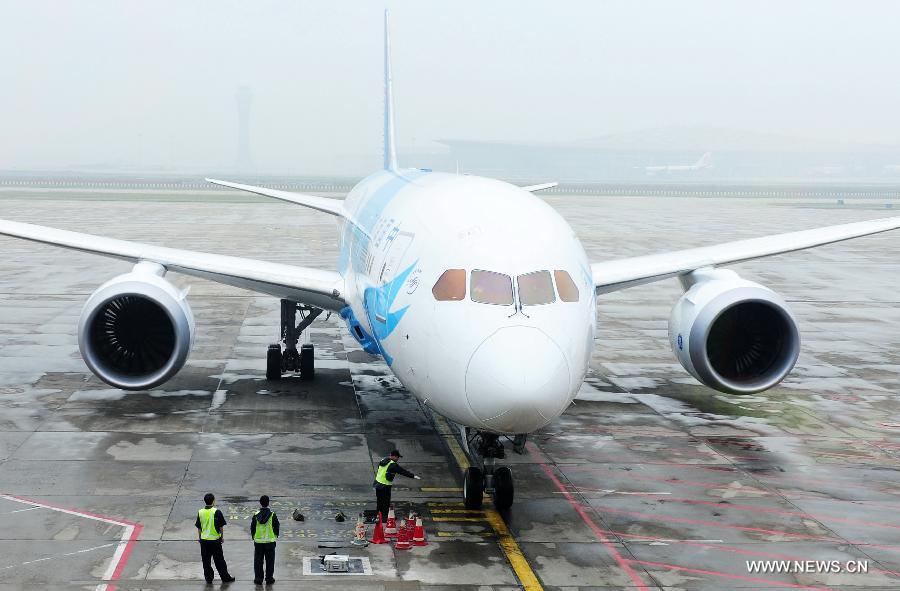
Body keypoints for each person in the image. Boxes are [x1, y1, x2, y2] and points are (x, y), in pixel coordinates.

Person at [195, 492, 235, 584]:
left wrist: (200, 538)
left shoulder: (200, 512)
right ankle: (225, 577)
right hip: (215, 540)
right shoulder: (217, 512)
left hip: (204, 541)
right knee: (219, 561)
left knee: (206, 561)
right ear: (213, 501)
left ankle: (209, 578)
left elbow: (199, 527)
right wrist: (222, 537)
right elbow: (221, 527)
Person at [373, 449, 420, 519]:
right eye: (397, 457)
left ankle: (378, 516)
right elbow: (402, 471)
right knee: (386, 502)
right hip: (385, 486)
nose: (398, 459)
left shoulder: (383, 460)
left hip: (377, 484)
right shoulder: (393, 465)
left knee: (379, 501)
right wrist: (413, 476)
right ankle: (385, 517)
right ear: (394, 456)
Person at [250, 495, 280, 585]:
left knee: (258, 561)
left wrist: (254, 537)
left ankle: (258, 579)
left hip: (258, 542)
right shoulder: (272, 514)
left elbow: (252, 528)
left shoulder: (256, 515)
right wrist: (275, 536)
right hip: (270, 542)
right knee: (270, 561)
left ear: (260, 503)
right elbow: (276, 527)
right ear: (268, 503)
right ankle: (269, 578)